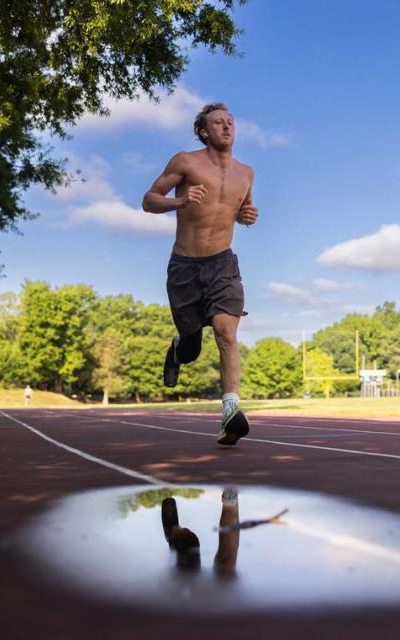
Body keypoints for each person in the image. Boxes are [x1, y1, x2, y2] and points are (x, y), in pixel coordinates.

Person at [142, 102, 258, 446]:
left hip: (222, 263)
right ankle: (178, 349)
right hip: (185, 267)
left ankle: (230, 412)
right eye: (218, 123)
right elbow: (149, 200)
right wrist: (179, 202)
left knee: (226, 330)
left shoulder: (246, 173)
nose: (226, 127)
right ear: (203, 132)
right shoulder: (185, 162)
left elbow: (236, 208)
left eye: (230, 122)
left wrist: (245, 216)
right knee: (193, 348)